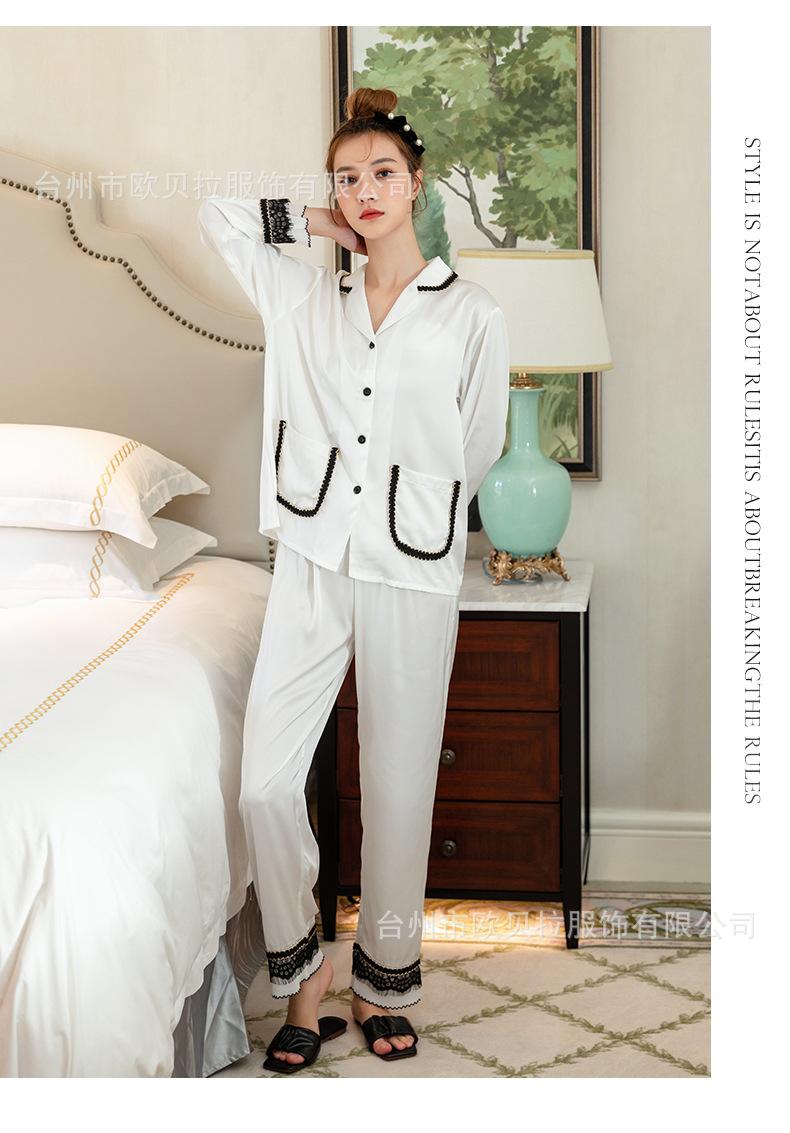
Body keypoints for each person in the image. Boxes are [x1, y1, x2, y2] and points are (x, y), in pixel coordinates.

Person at [198, 86, 510, 1072]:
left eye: (381, 173)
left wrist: (411, 513)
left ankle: (384, 979)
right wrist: (320, 226)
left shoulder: (471, 315)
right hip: (312, 554)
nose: (364, 190)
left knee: (399, 787)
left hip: (410, 565)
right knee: (264, 785)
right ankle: (304, 972)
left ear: (416, 183)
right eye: (346, 177)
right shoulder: (303, 298)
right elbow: (217, 216)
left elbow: (477, 443)